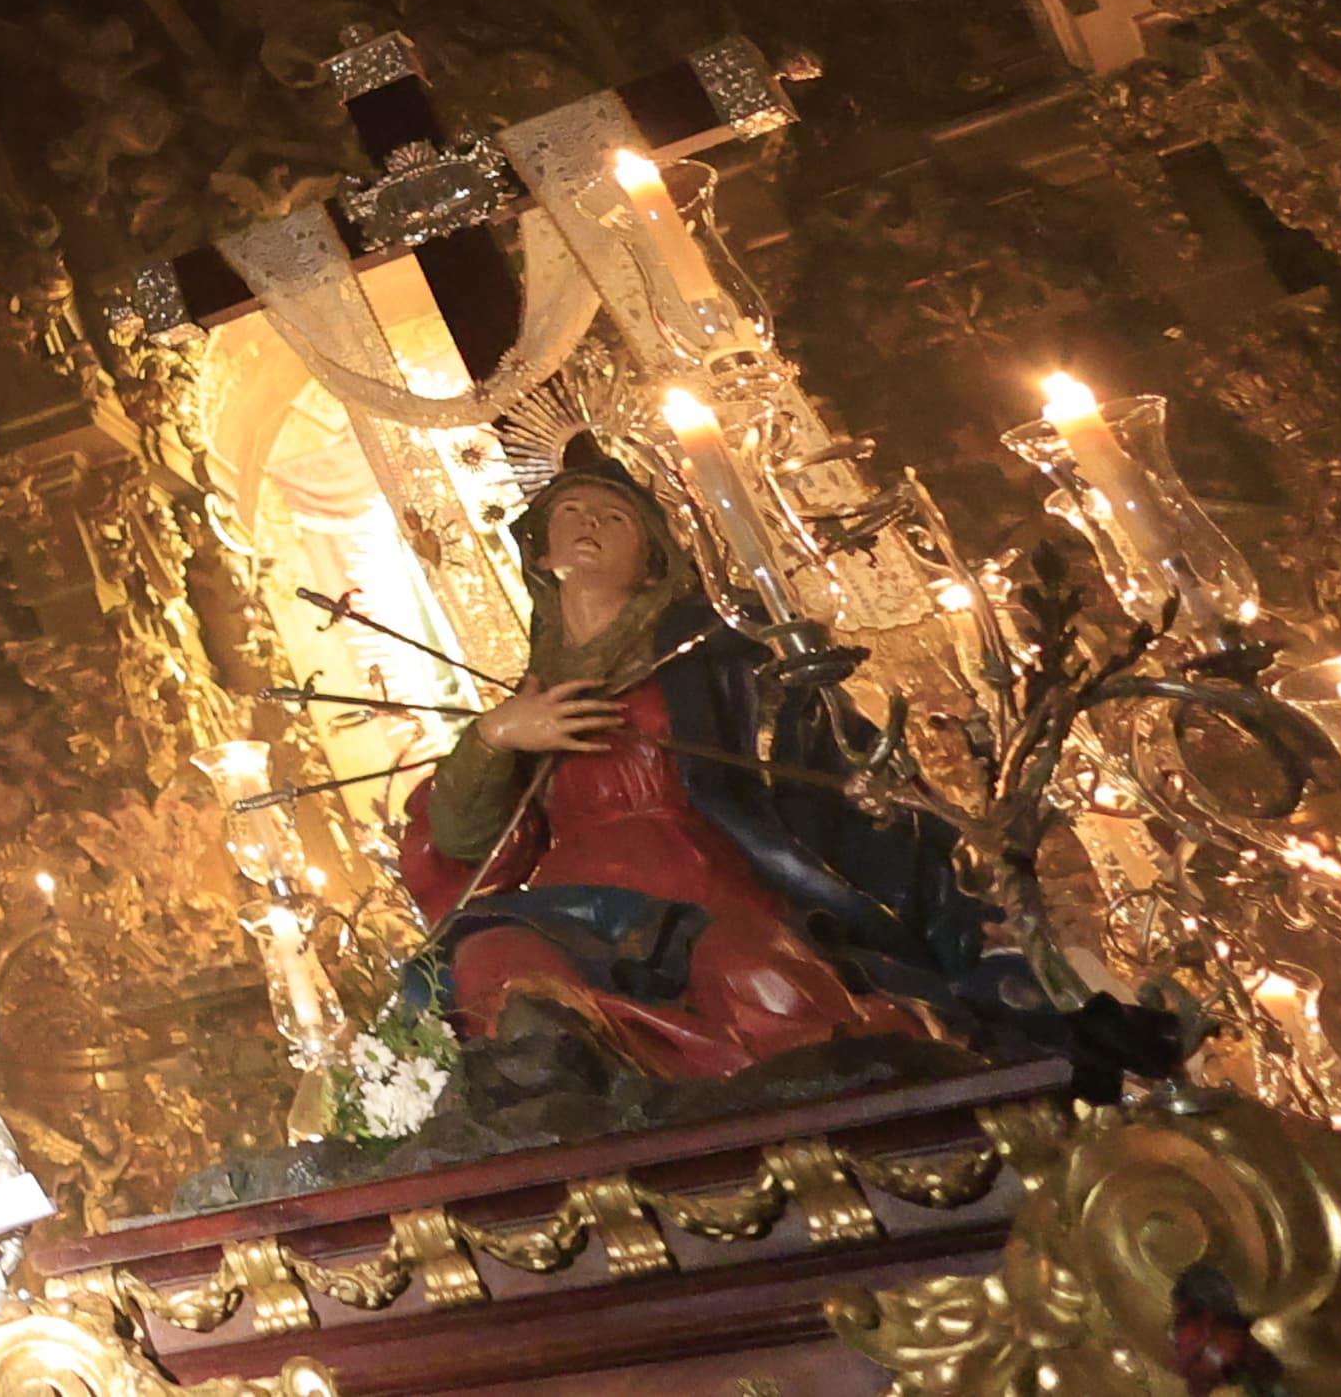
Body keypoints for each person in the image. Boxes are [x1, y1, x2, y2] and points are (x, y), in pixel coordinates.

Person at [395, 442, 1016, 1085]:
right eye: (570, 513)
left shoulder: (717, 657)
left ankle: (755, 1080)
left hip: (703, 885)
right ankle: (590, 1074)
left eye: (615, 519)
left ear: (651, 561)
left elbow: (816, 759)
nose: (588, 524)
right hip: (575, 907)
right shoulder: (530, 700)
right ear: (543, 555)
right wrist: (494, 737)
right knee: (497, 966)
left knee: (759, 976)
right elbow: (468, 843)